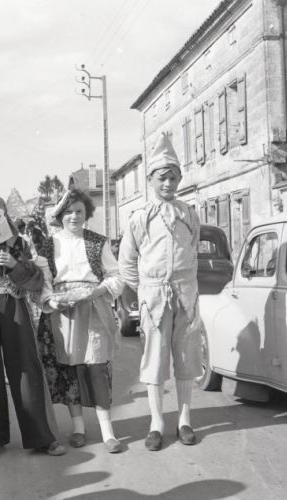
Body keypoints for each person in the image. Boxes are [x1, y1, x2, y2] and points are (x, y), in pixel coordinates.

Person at [0, 195, 65, 462]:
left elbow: (36, 281)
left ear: (5, 216)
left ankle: (42, 436)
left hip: (15, 306)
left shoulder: (21, 244)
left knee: (27, 368)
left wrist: (15, 265)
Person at [118, 132, 202, 451]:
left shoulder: (188, 214)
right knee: (155, 358)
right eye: (162, 178)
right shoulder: (140, 217)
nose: (168, 183)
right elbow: (127, 262)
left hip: (186, 294)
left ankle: (184, 420)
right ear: (150, 179)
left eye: (173, 178)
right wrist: (145, 290)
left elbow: (192, 249)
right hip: (153, 297)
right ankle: (156, 423)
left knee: (186, 355)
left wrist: (184, 283)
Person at [37, 183, 124, 453]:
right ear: (60, 215)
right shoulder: (49, 244)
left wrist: (97, 291)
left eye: (79, 211)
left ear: (87, 214)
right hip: (63, 312)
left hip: (94, 307)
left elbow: (116, 277)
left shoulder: (98, 242)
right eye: (69, 212)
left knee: (97, 367)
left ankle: (108, 432)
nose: (74, 216)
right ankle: (78, 429)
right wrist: (52, 300)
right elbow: (43, 283)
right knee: (70, 370)